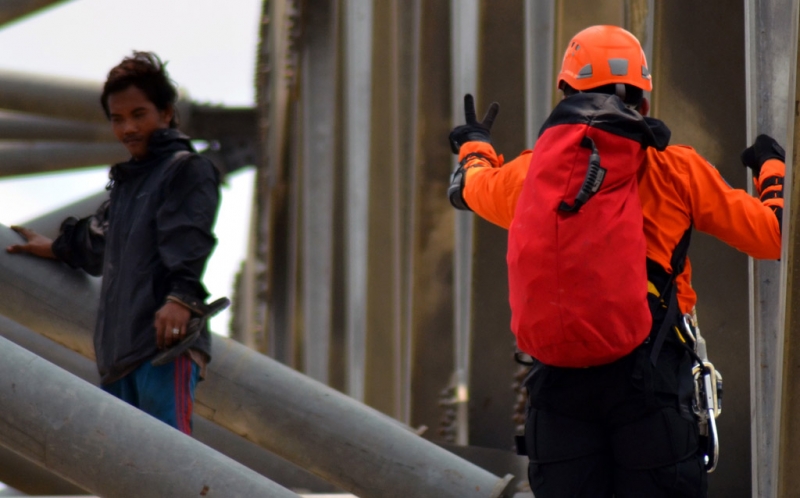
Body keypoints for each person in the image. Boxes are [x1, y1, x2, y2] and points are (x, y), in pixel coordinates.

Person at [447, 25, 783, 497]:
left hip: (558, 386)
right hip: (650, 379)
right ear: (642, 101)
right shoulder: (675, 169)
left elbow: (469, 187)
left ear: (565, 91)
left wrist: (473, 144)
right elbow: (770, 237)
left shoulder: (533, 177)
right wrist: (771, 169)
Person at [6, 52, 220, 435]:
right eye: (118, 119)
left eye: (139, 114)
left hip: (163, 348)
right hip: (119, 356)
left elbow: (189, 238)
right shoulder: (129, 184)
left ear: (167, 113)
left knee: (166, 470)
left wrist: (181, 299)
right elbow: (96, 241)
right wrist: (55, 247)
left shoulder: (186, 168)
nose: (128, 129)